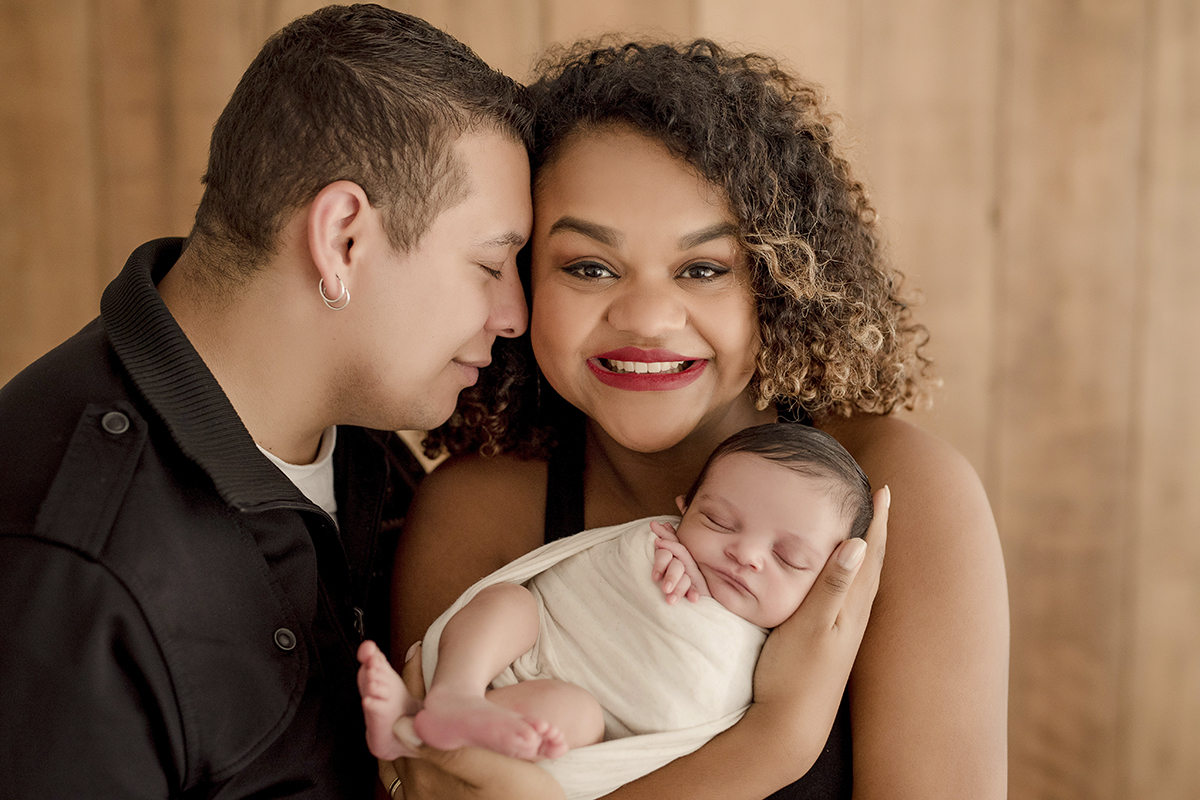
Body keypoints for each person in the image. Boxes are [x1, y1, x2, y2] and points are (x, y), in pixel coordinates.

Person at [392, 38, 1008, 800]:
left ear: (780, 285)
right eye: (589, 267)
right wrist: (778, 735)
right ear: (521, 282)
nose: (648, 318)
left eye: (703, 269)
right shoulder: (474, 514)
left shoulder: (901, 493)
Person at [0, 5, 533, 798]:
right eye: (491, 266)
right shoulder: (73, 573)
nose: (514, 314)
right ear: (343, 238)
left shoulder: (360, 433)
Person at [361, 423, 872, 800]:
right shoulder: (659, 544)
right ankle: (452, 694)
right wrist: (653, 565)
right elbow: (580, 581)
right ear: (681, 508)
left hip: (560, 724)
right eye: (717, 521)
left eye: (788, 559)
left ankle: (427, 730)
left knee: (575, 715)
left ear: (828, 582)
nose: (746, 554)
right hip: (514, 654)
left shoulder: (772, 658)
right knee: (512, 601)